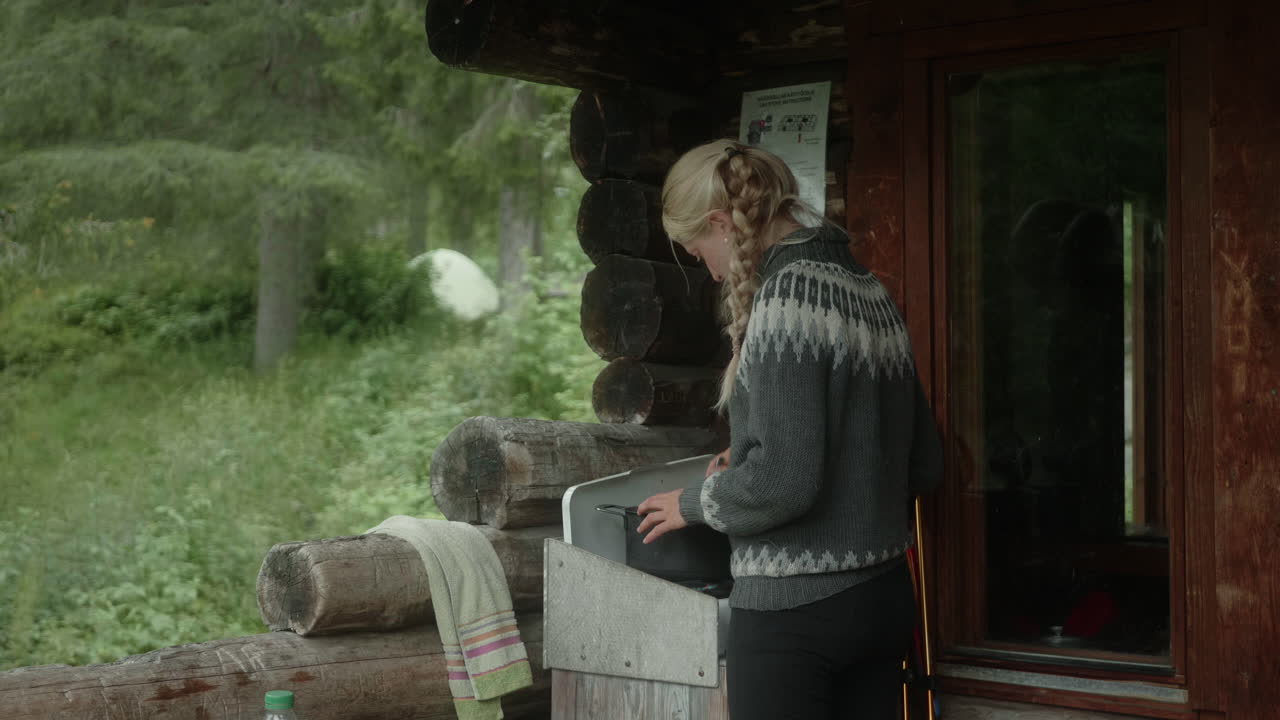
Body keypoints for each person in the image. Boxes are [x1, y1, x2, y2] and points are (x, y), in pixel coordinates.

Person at [636, 139, 943, 719]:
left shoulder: (786, 299)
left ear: (721, 223)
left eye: (696, 250)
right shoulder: (870, 291)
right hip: (881, 601)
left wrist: (694, 503)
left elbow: (784, 483)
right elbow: (923, 461)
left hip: (795, 612)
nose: (705, 266)